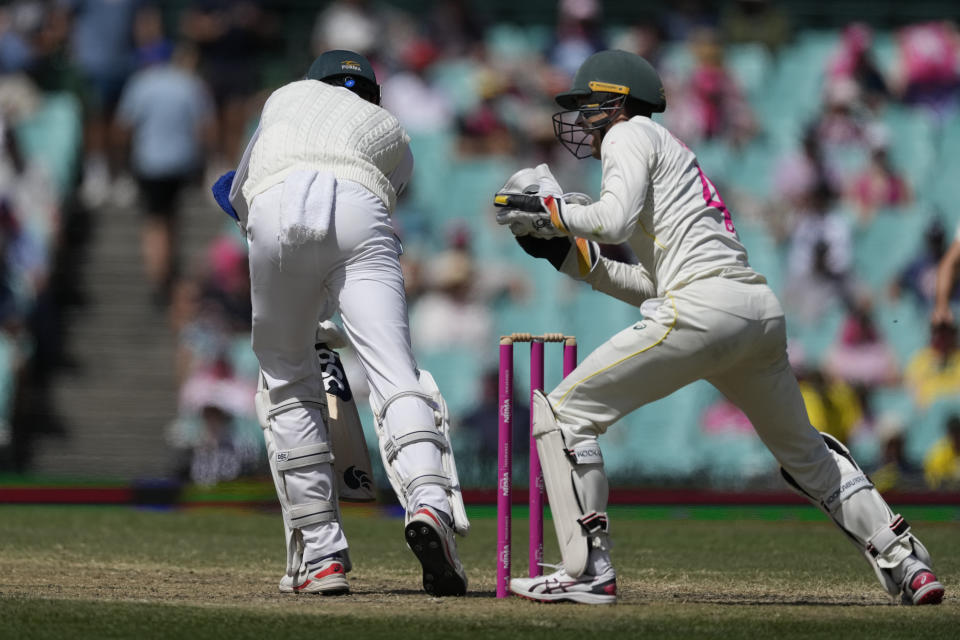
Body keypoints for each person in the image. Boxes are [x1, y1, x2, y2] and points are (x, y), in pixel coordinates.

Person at [493, 49, 944, 606]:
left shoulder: (630, 133)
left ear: (618, 100)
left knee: (561, 415)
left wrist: (552, 209)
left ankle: (588, 570)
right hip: (753, 311)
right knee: (807, 456)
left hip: (706, 308)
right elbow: (657, 285)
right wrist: (570, 260)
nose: (582, 118)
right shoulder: (667, 153)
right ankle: (906, 561)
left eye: (589, 105)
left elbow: (610, 221)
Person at [211, 50, 468, 597]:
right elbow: (366, 204)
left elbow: (240, 194)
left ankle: (323, 555)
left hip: (274, 202)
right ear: (369, 94)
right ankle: (431, 504)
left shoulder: (284, 97)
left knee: (285, 376)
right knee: (396, 371)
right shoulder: (392, 129)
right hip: (361, 205)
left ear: (315, 83)